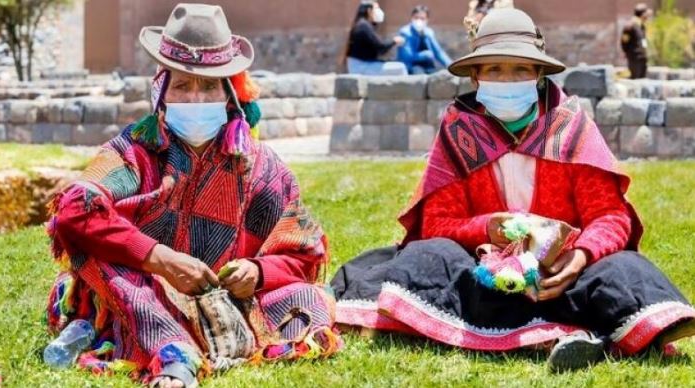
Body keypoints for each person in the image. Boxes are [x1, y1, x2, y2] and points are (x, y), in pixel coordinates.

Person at [331, 8, 695, 372]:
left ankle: (589, 329)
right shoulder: (460, 131)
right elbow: (437, 222)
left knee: (623, 269)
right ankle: (577, 333)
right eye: (494, 69)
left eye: (520, 69)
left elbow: (610, 216)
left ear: (538, 74)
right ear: (476, 77)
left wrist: (579, 257)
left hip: (563, 275)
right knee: (428, 256)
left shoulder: (570, 128)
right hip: (483, 272)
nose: (508, 79)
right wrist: (489, 229)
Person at [44, 4, 341, 387]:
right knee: (108, 266)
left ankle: (156, 338)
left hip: (228, 301)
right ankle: (175, 351)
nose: (196, 100)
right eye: (183, 85)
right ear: (161, 91)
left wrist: (259, 272)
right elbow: (75, 209)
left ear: (231, 94)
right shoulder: (133, 151)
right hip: (146, 291)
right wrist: (160, 260)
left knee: (311, 301)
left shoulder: (263, 167)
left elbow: (303, 252)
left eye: (209, 86)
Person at [344, 1, 407, 75]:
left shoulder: (364, 25)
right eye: (376, 8)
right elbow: (381, 48)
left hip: (365, 63)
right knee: (400, 68)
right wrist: (394, 41)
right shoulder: (363, 27)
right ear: (369, 11)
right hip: (361, 66)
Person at [396, 5, 452, 74]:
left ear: (427, 20)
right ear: (411, 18)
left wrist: (451, 66)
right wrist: (424, 55)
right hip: (411, 67)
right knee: (418, 72)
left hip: (428, 66)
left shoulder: (428, 32)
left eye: (422, 18)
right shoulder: (405, 32)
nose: (419, 21)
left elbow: (438, 52)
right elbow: (406, 57)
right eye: (416, 18)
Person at [621, 3, 652, 79]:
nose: (648, 15)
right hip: (634, 58)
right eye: (647, 13)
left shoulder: (641, 25)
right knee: (635, 79)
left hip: (642, 58)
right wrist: (628, 53)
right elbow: (624, 42)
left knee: (642, 79)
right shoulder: (630, 26)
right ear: (643, 14)